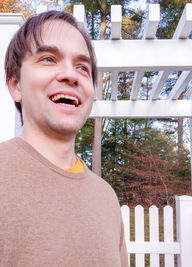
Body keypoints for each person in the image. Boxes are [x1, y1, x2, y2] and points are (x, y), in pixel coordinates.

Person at [0, 10, 128, 267]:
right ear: (15, 85)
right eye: (49, 59)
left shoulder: (106, 197)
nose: (71, 75)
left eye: (82, 67)